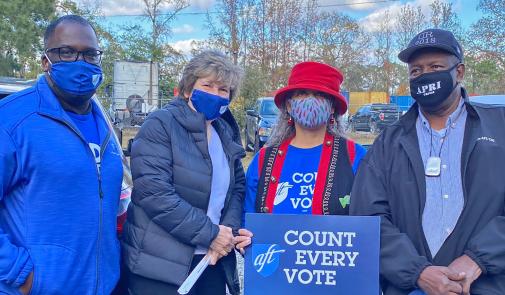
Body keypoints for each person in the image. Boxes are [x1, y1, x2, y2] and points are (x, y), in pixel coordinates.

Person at [350, 28, 505, 295]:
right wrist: (417, 272)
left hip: (489, 285)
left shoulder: (499, 126)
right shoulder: (388, 142)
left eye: (435, 66)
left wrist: (478, 259)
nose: (425, 75)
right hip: (410, 289)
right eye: (416, 71)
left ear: (459, 72)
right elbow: (367, 216)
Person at [0, 15, 123, 294]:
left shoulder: (102, 122)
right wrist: (21, 274)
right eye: (66, 52)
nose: (80, 62)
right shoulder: (12, 120)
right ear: (45, 61)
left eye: (90, 54)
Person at [122, 50, 246, 295]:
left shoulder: (225, 132)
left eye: (223, 90)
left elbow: (237, 188)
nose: (216, 94)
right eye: (207, 85)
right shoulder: (160, 124)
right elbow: (154, 193)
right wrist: (210, 233)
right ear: (188, 89)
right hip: (160, 267)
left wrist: (226, 234)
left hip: (211, 260)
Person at [235, 62, 366, 252]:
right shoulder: (265, 159)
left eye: (320, 95)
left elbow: (369, 219)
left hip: (334, 274)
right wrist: (245, 239)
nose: (310, 101)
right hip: (276, 273)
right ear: (288, 105)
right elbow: (247, 216)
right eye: (302, 93)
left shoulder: (354, 156)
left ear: (332, 107)